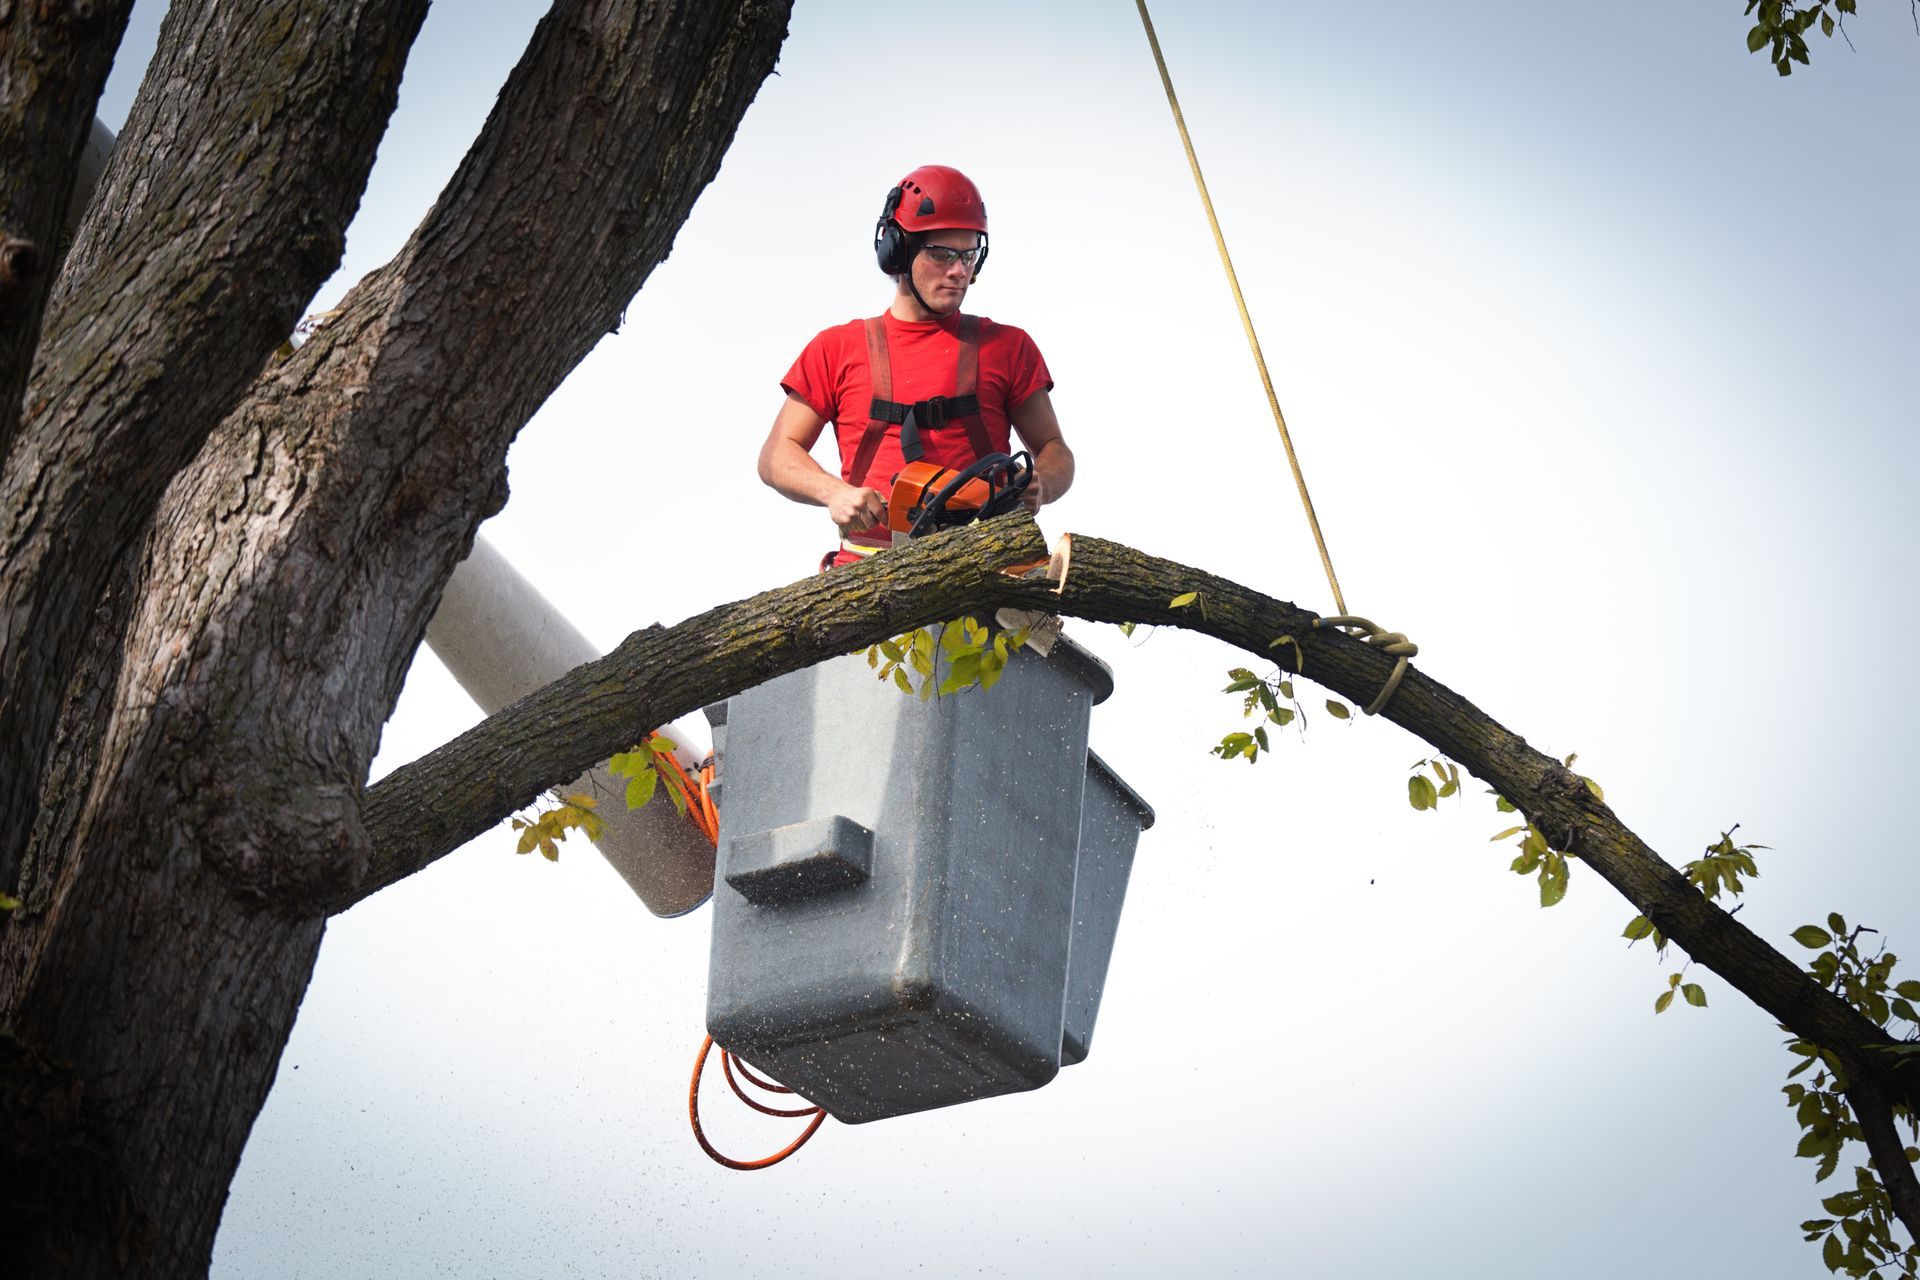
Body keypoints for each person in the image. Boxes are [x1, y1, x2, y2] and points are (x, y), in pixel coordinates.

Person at [758, 165, 1074, 568]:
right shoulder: (836, 349)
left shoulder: (1009, 347)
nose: (959, 270)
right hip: (871, 573)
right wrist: (833, 492)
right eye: (942, 254)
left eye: (968, 254)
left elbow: (1056, 450)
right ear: (900, 251)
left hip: (988, 567)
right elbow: (774, 456)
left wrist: (1042, 482)